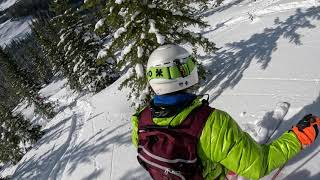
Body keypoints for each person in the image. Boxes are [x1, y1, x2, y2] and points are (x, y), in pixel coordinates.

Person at [131, 44, 320, 180]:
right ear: (183, 75)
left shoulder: (140, 120)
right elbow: (258, 166)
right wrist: (298, 137)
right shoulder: (212, 123)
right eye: (187, 66)